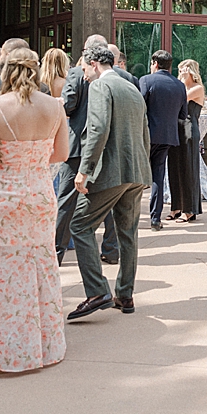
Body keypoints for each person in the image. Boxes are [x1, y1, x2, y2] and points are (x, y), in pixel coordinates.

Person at [0, 48, 69, 372]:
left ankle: (10, 351)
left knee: (5, 273)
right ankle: (46, 347)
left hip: (6, 195)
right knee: (42, 267)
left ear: (6, 72)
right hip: (41, 194)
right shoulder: (55, 107)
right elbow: (61, 154)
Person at [66, 46, 152, 319]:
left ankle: (96, 291)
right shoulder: (131, 87)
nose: (84, 75)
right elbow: (144, 134)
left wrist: (85, 169)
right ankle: (125, 295)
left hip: (110, 172)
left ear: (93, 64)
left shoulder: (101, 87)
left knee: (80, 225)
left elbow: (98, 129)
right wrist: (143, 168)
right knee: (128, 234)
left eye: (83, 69)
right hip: (135, 170)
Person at [55, 35, 119, 265]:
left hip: (77, 148)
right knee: (108, 200)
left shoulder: (74, 74)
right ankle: (111, 249)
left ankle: (56, 253)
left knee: (66, 201)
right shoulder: (119, 77)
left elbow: (69, 105)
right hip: (105, 147)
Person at [139, 49, 188, 230]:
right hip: (168, 135)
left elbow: (139, 107)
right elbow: (183, 114)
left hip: (147, 135)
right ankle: (155, 219)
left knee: (138, 176)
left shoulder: (146, 80)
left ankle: (132, 217)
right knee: (158, 177)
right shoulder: (179, 85)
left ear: (155, 64)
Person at [167, 59, 205, 223]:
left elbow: (180, 99)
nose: (181, 71)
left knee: (188, 169)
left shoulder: (197, 88)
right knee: (174, 168)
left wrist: (181, 81)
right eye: (179, 69)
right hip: (176, 129)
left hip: (189, 130)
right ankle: (176, 206)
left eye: (184, 69)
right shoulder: (180, 86)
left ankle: (189, 209)